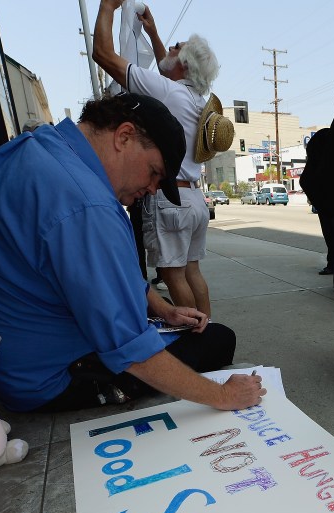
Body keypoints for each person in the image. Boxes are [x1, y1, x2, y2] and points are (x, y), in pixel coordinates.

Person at [0, 92, 264, 414]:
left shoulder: (40, 147)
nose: (153, 189)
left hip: (11, 357)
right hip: (48, 379)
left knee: (174, 317)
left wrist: (162, 310)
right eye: (154, 172)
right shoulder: (88, 205)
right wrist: (223, 396)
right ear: (124, 136)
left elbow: (101, 273)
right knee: (217, 339)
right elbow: (132, 351)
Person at [94, 0, 232, 318]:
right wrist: (153, 33)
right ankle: (208, 332)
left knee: (173, 276)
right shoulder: (199, 100)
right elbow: (166, 70)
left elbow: (103, 55)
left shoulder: (169, 94)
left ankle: (190, 339)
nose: (169, 48)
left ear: (183, 64)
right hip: (195, 199)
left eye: (176, 47)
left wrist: (107, 7)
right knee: (193, 272)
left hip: (172, 200)